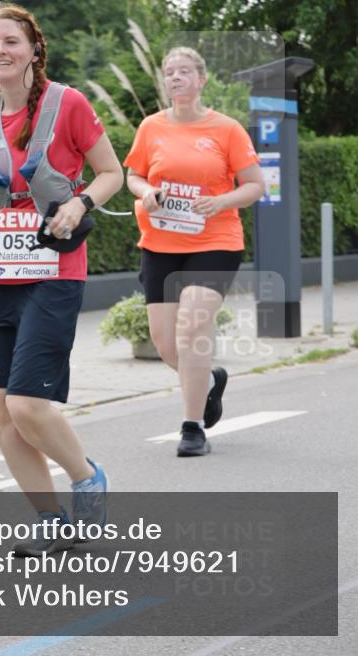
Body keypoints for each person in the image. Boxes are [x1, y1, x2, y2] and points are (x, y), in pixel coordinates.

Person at [0, 1, 123, 555]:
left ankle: (87, 477)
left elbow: (113, 173)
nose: (0, 51)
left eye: (11, 42)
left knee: (26, 405)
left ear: (33, 49)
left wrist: (79, 203)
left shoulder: (69, 104)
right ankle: (50, 521)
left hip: (54, 268)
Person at [124, 46, 265, 457]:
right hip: (160, 243)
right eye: (170, 73)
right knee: (166, 344)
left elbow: (254, 185)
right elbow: (134, 176)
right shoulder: (150, 127)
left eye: (185, 71)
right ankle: (208, 383)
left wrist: (222, 201)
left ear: (201, 80)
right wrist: (147, 191)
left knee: (191, 328)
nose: (176, 78)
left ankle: (192, 428)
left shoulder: (227, 129)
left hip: (215, 242)